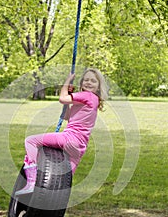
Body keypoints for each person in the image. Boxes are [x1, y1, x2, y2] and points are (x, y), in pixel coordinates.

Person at [15, 68, 108, 197]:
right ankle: (57, 214)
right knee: (62, 183)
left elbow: (62, 98)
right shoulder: (93, 99)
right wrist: (69, 100)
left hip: (69, 138)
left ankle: (31, 181)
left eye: (93, 81)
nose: (88, 83)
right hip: (79, 147)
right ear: (81, 83)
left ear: (98, 86)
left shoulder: (87, 95)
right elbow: (67, 116)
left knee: (31, 141)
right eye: (86, 80)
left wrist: (67, 82)